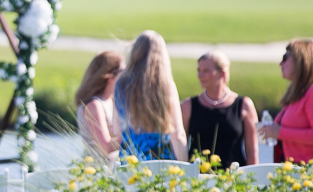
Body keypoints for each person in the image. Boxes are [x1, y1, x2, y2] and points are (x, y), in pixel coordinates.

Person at [114, 30, 188, 161]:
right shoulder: (166, 86)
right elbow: (178, 134)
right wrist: (185, 168)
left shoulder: (121, 84)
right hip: (162, 162)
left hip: (130, 161)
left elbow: (117, 129)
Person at [180, 50, 258, 168]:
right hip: (198, 180)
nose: (200, 75)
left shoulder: (244, 105)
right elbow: (180, 146)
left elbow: (252, 151)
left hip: (234, 178)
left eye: (206, 71)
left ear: (222, 73)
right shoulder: (188, 106)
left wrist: (252, 181)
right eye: (199, 71)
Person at [258, 39, 313, 163]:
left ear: (301, 60)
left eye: (285, 58)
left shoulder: (311, 92)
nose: (280, 64)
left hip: (307, 171)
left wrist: (280, 132)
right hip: (292, 167)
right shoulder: (297, 93)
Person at [75, 51, 124, 164]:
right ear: (111, 75)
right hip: (99, 171)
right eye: (124, 71)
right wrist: (133, 134)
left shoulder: (112, 101)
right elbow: (105, 147)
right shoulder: (94, 105)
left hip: (114, 166)